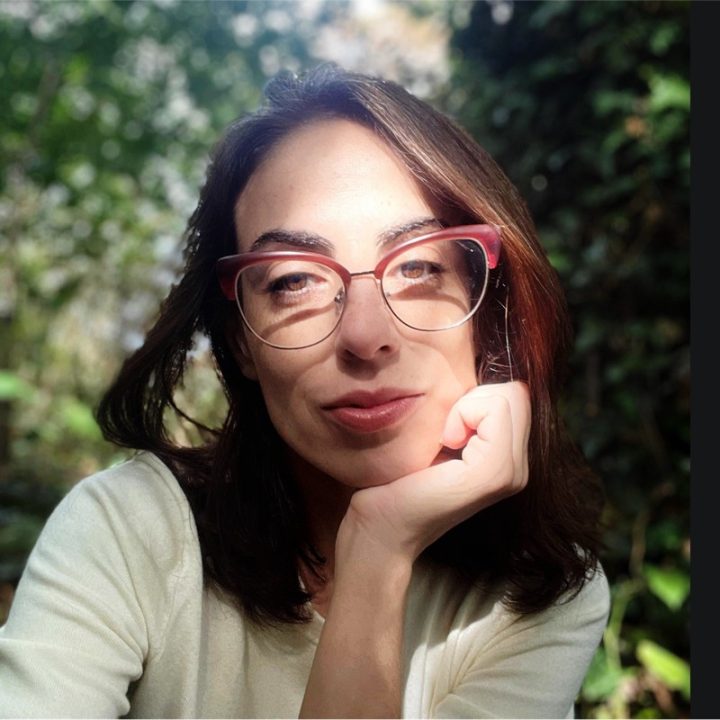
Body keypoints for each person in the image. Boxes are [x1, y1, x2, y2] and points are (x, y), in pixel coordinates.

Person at [0, 64, 609, 718]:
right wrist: (377, 554)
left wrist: (378, 546)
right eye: (294, 281)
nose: (365, 337)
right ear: (240, 342)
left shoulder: (542, 599)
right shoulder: (130, 532)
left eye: (418, 266)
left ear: (486, 313)